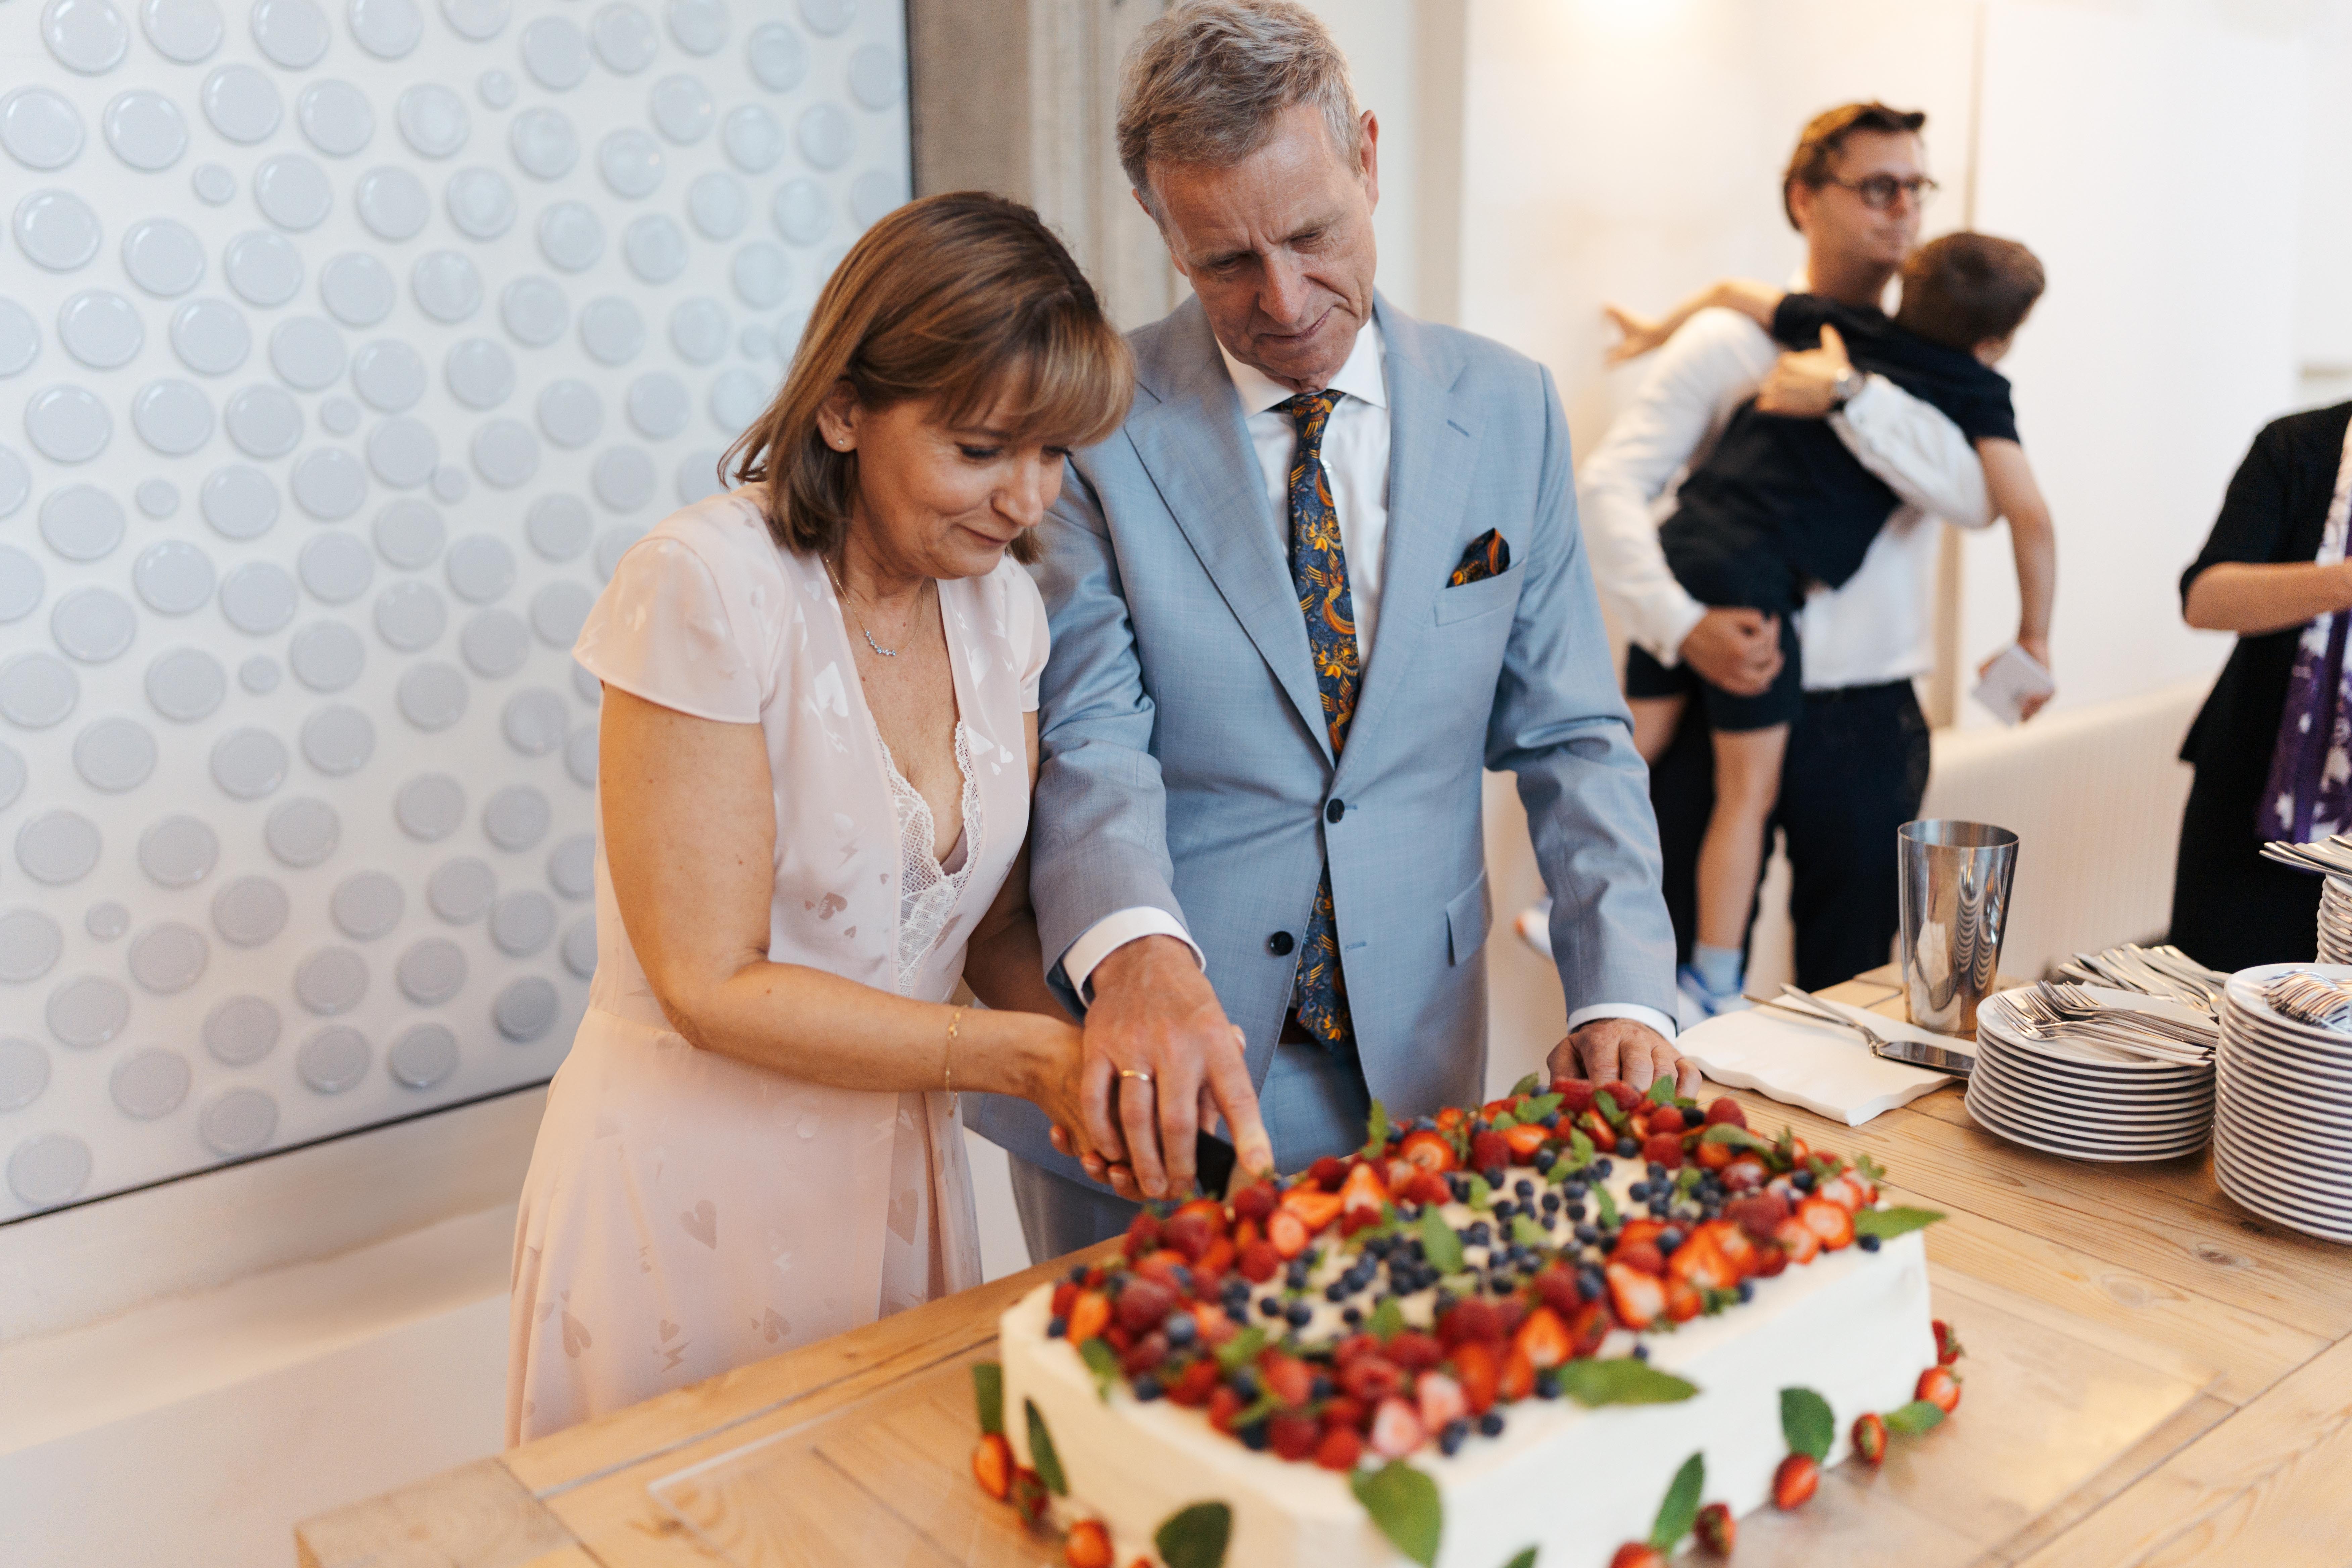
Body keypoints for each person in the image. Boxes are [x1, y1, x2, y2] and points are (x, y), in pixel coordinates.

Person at [963, 0, 1687, 1259]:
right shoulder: (1089, 425)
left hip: (1416, 1060)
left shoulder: (1510, 407)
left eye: (1311, 236)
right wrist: (1136, 956)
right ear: (1158, 225)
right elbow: (1088, 738)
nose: (1285, 300)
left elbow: (1573, 734)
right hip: (1159, 1060)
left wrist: (1621, 987)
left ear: (1366, 156)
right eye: (1225, 263)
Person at [505, 194, 1172, 1443]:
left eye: (1053, 455)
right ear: (844, 409)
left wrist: (1109, 1057)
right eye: (981, 449)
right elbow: (708, 982)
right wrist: (1022, 1063)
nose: (1027, 500)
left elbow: (989, 927)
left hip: (898, 1178)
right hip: (688, 1191)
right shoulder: (706, 585)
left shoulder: (1003, 615)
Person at [1580, 101, 2010, 1004]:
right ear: (1805, 199)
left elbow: (1978, 498)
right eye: (1879, 187)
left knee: (1851, 984)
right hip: (1715, 682)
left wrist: (1851, 393)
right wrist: (1680, 624)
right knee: (1666, 974)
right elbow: (1610, 485)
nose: (1905, 210)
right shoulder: (1732, 343)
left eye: (1918, 188)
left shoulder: (1940, 364)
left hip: (1866, 715)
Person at [2172, 400, 2352, 971]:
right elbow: (2207, 598)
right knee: (2217, 998)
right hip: (2256, 793)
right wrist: (2343, 582)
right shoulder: (2297, 446)